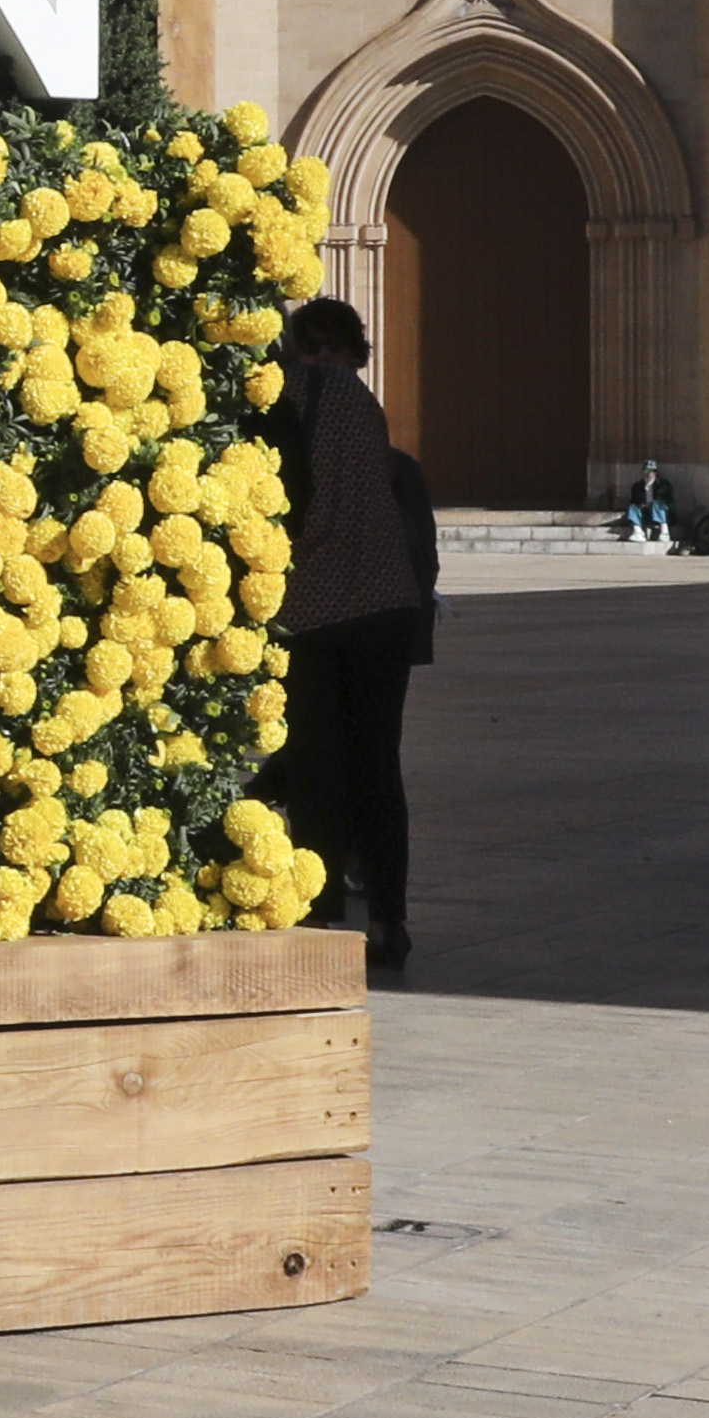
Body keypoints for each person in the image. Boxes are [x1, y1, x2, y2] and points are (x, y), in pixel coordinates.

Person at [262, 300, 430, 979]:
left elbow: (292, 499)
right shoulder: (368, 406)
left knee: (317, 767)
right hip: (385, 607)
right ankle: (389, 918)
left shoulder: (290, 396)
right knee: (379, 767)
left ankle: (324, 911)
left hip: (315, 606)